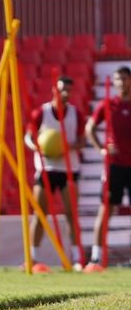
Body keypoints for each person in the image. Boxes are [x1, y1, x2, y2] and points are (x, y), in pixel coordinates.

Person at [24, 75, 84, 262]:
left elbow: (82, 141)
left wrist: (68, 147)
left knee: (70, 214)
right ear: (54, 90)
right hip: (46, 168)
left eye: (68, 90)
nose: (64, 93)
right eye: (61, 89)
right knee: (40, 214)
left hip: (68, 170)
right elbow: (28, 136)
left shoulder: (76, 114)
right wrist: (35, 146)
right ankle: (33, 258)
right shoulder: (41, 112)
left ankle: (76, 258)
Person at [86, 66, 131, 270]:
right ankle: (96, 256)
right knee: (106, 208)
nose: (120, 82)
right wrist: (102, 149)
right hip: (114, 166)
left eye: (124, 78)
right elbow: (90, 129)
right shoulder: (107, 104)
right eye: (117, 79)